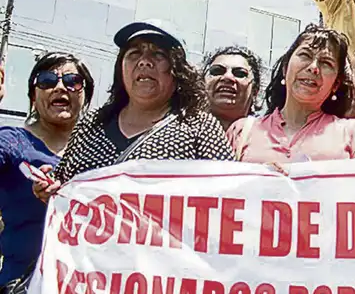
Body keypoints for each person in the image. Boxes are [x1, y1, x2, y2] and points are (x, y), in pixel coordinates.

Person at [33, 20, 234, 200]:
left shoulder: (200, 127)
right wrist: (49, 185)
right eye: (134, 53)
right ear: (121, 68)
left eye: (158, 54)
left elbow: (230, 194)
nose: (144, 61)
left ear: (177, 70)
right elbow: (62, 181)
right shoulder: (92, 124)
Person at [0, 52, 93, 294]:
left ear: (85, 94)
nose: (60, 88)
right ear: (32, 93)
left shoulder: (100, 155)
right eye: (48, 81)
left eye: (72, 81)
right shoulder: (11, 143)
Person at [227, 25, 355, 163]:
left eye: (326, 63)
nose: (313, 68)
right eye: (305, 55)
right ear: (285, 68)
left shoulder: (353, 133)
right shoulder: (241, 131)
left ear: (336, 85)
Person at [202, 46, 264, 130]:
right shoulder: (182, 128)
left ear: (255, 91)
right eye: (217, 71)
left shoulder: (266, 135)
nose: (227, 77)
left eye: (240, 73)